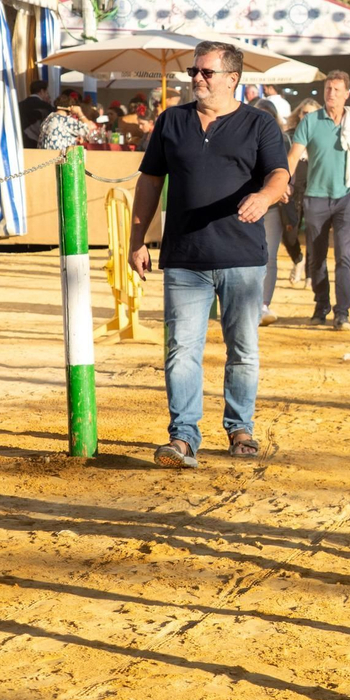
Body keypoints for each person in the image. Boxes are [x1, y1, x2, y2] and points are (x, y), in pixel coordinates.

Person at [127, 41, 289, 467]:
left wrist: (264, 198)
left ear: (232, 78)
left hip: (242, 259)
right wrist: (136, 239)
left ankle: (241, 429)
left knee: (243, 349)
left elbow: (278, 174)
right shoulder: (171, 121)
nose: (196, 78)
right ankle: (182, 438)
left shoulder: (260, 124)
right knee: (181, 350)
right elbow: (149, 183)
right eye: (193, 71)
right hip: (184, 258)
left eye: (206, 72)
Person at [287, 71, 350, 331]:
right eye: (328, 88)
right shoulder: (310, 121)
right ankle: (321, 306)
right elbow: (294, 157)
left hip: (347, 198)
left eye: (336, 89)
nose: (331, 93)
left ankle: (342, 313)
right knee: (316, 259)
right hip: (316, 198)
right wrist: (284, 182)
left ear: (346, 94)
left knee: (344, 257)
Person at [253, 100, 288, 326]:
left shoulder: (282, 141)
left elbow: (285, 170)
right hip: (247, 204)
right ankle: (250, 304)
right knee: (247, 257)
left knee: (270, 256)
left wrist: (284, 187)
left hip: (272, 206)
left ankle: (263, 305)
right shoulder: (242, 138)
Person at [281, 98, 319, 286]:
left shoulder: (323, 136)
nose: (307, 116)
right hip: (292, 188)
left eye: (312, 113)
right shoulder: (288, 136)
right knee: (288, 233)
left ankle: (311, 274)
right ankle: (298, 260)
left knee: (314, 232)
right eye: (304, 113)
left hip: (314, 188)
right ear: (299, 114)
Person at [38, 93, 102, 150]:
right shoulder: (65, 120)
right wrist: (79, 113)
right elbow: (90, 129)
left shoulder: (47, 119)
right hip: (59, 159)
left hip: (45, 157)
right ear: (71, 108)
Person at [18, 79, 52, 147]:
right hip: (36, 144)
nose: (47, 95)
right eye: (47, 92)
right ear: (42, 91)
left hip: (20, 142)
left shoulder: (19, 105)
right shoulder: (45, 106)